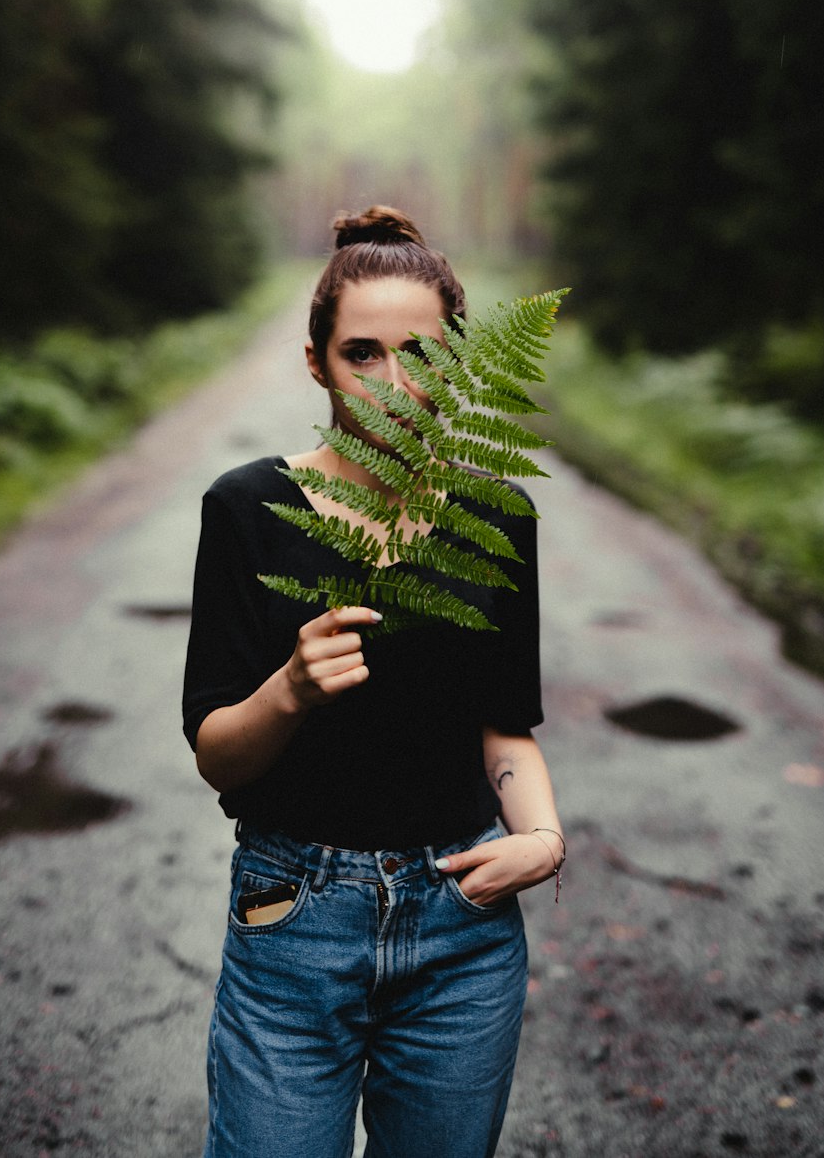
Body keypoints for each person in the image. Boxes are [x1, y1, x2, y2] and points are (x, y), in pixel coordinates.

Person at [182, 206, 564, 1158]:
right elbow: (216, 755)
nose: (396, 385)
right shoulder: (247, 509)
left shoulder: (498, 517)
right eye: (363, 354)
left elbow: (507, 727)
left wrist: (543, 840)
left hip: (461, 929)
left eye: (424, 358)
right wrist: (290, 691)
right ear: (316, 363)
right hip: (294, 921)